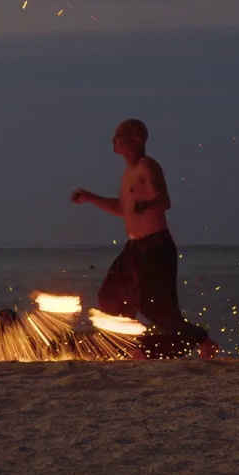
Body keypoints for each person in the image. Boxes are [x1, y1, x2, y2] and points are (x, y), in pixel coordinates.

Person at [71, 119, 214, 357]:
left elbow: (165, 200)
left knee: (157, 308)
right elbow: (122, 208)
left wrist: (148, 204)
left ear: (137, 139)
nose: (113, 140)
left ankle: (202, 340)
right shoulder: (127, 174)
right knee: (110, 296)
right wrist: (90, 198)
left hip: (156, 246)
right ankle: (129, 343)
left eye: (119, 134)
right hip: (135, 247)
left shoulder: (148, 167)